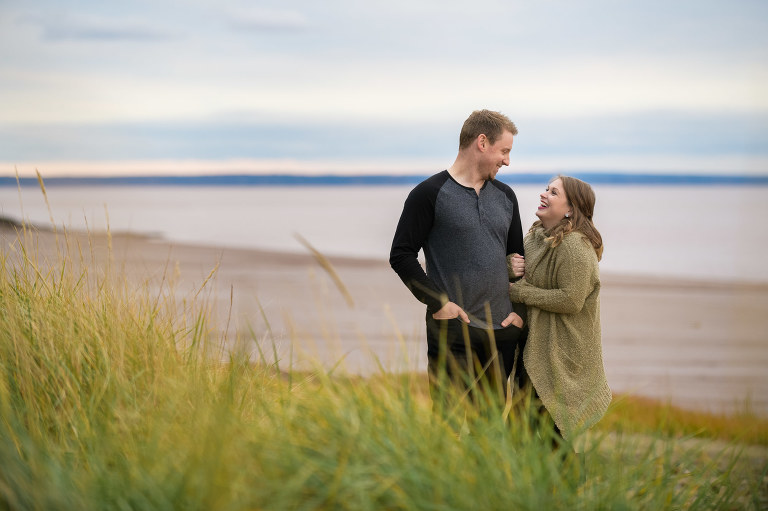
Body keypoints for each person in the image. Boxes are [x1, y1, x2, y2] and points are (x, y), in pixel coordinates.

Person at [389, 109, 526, 407]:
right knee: (449, 426)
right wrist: (438, 303)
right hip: (453, 330)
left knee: (490, 430)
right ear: (481, 142)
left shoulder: (506, 196)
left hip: (501, 332)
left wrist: (520, 315)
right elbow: (401, 254)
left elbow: (519, 263)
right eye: (504, 151)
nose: (507, 160)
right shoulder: (428, 193)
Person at [507, 175, 612, 446]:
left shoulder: (576, 246)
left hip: (563, 356)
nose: (544, 194)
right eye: (546, 189)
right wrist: (510, 268)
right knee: (521, 434)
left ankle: (566, 489)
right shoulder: (534, 237)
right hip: (533, 349)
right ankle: (525, 488)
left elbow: (571, 300)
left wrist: (521, 292)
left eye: (553, 192)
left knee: (555, 441)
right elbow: (524, 275)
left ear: (570, 209)